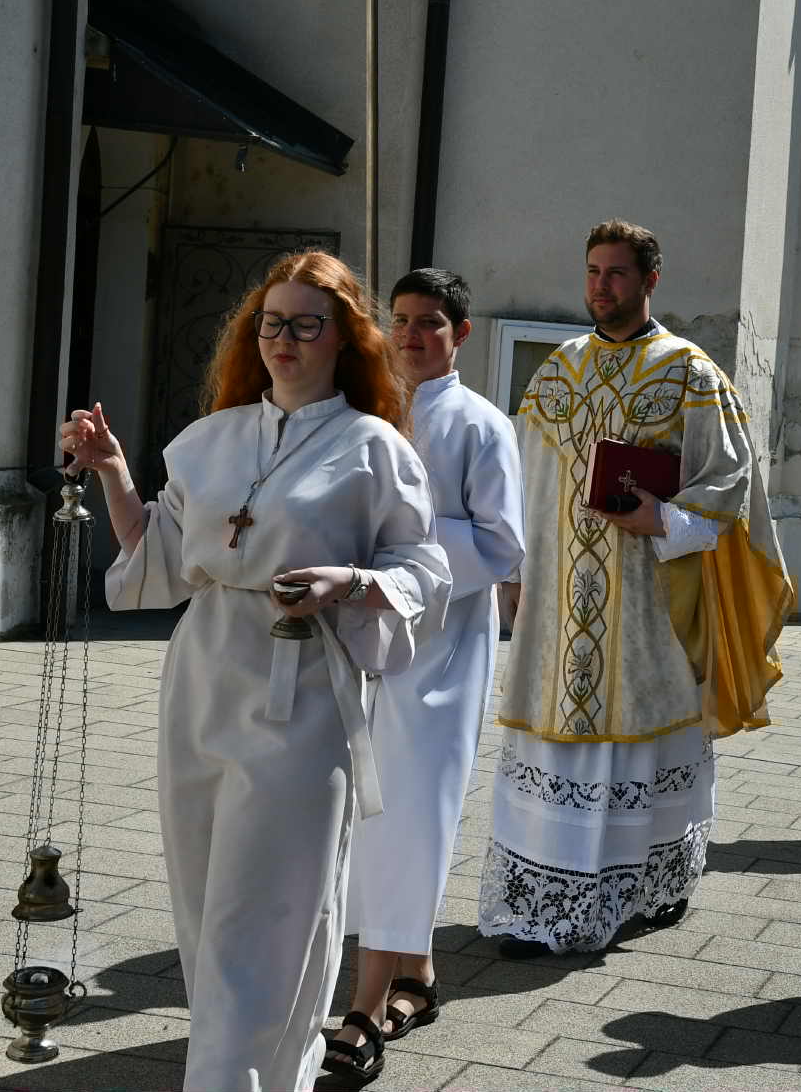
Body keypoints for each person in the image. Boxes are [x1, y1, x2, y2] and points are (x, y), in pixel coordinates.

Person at [61, 249, 451, 1092]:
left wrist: (349, 581)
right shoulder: (213, 438)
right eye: (272, 321)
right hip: (204, 676)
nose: (284, 338)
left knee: (269, 913)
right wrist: (114, 471)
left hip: (302, 690)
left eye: (307, 323)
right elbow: (163, 557)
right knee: (204, 908)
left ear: (343, 338)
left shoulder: (373, 446)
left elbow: (425, 568)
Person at [478, 219, 793, 957]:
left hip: (648, 610)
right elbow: (523, 484)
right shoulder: (555, 370)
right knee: (554, 752)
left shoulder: (691, 372)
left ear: (652, 280)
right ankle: (538, 905)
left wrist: (666, 517)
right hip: (557, 613)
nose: (600, 286)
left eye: (616, 273)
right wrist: (513, 574)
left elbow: (732, 486)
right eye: (592, 271)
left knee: (639, 752)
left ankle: (647, 889)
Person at [343, 269, 524, 1046]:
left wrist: (407, 550)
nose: (412, 335)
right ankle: (414, 969)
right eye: (403, 320)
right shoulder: (367, 412)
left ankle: (365, 1002)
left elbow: (502, 543)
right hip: (363, 645)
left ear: (462, 334)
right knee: (365, 815)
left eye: (430, 323)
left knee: (413, 814)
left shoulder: (482, 424)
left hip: (443, 649)